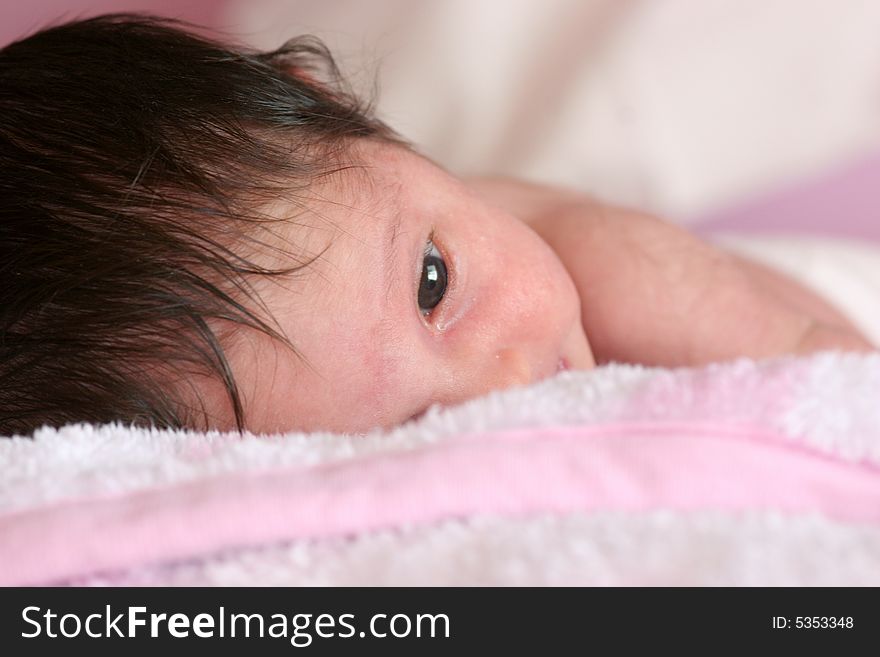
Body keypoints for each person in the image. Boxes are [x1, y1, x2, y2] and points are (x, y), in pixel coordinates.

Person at [0, 14, 873, 437]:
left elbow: (841, 390)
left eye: (432, 285)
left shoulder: (616, 271)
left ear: (324, 96)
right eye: (412, 432)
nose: (504, 390)